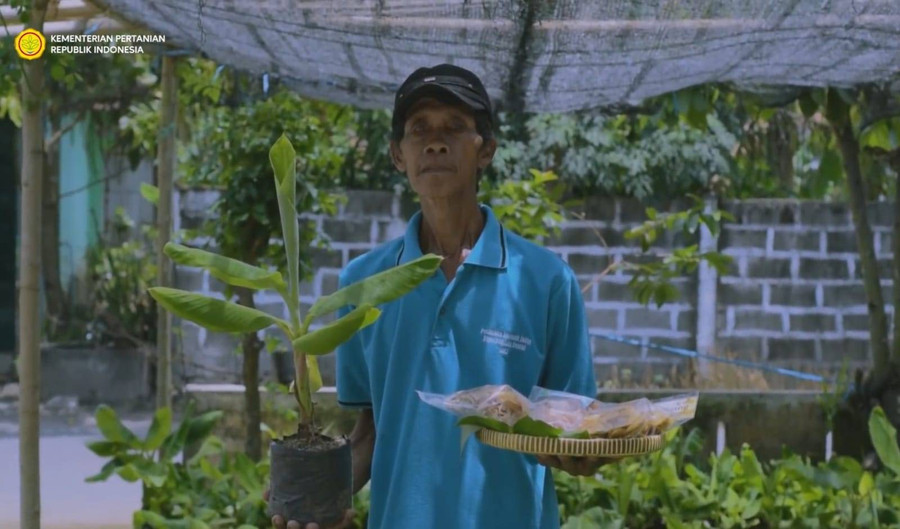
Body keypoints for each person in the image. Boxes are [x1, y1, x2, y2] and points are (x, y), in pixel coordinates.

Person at [271, 64, 610, 529]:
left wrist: (577, 454)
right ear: (397, 155)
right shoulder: (362, 282)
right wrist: (312, 500)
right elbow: (371, 433)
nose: (435, 142)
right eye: (419, 130)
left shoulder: (546, 280)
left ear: (485, 149)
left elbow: (573, 428)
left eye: (455, 127)